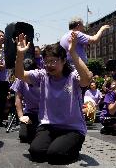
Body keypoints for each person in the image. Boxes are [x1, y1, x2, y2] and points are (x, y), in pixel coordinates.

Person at [15, 32, 92, 164]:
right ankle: (58, 145)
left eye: (53, 61)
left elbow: (86, 79)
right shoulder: (43, 75)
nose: (49, 65)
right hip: (49, 127)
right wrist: (20, 54)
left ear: (63, 60)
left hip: (72, 128)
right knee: (36, 152)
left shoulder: (73, 76)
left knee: (56, 155)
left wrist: (73, 51)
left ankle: (74, 146)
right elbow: (20, 75)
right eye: (46, 61)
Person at [10, 58, 39, 143]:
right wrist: (21, 117)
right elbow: (18, 99)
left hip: (43, 113)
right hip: (29, 113)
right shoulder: (20, 79)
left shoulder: (41, 77)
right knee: (23, 136)